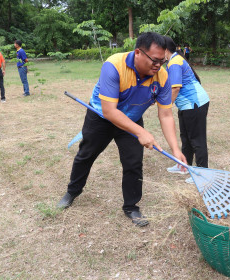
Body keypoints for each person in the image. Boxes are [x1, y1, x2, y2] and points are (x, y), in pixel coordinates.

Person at [57, 32, 187, 227]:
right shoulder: (114, 65)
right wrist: (142, 132)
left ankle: (131, 206)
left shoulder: (162, 76)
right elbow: (110, 111)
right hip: (102, 117)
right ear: (138, 53)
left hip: (132, 119)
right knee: (86, 155)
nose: (158, 66)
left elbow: (166, 114)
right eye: (154, 60)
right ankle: (72, 192)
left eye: (162, 61)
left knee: (134, 162)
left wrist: (176, 150)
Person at [163, 36, 210, 184]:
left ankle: (203, 174)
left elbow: (176, 88)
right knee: (186, 137)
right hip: (186, 106)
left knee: (197, 140)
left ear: (165, 50)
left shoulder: (175, 62)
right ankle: (184, 165)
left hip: (194, 105)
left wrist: (167, 105)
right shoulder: (174, 60)